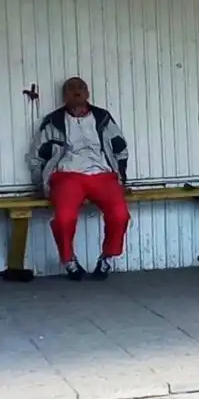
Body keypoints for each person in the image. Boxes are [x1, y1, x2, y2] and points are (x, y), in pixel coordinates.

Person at [27, 77, 130, 281]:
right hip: (67, 176)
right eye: (71, 89)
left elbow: (120, 147)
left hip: (102, 174)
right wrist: (41, 184)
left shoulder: (102, 117)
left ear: (88, 93)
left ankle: (106, 258)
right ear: (64, 95)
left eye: (81, 88)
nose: (77, 92)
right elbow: (37, 155)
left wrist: (122, 178)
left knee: (120, 215)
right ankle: (69, 261)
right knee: (64, 218)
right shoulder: (53, 121)